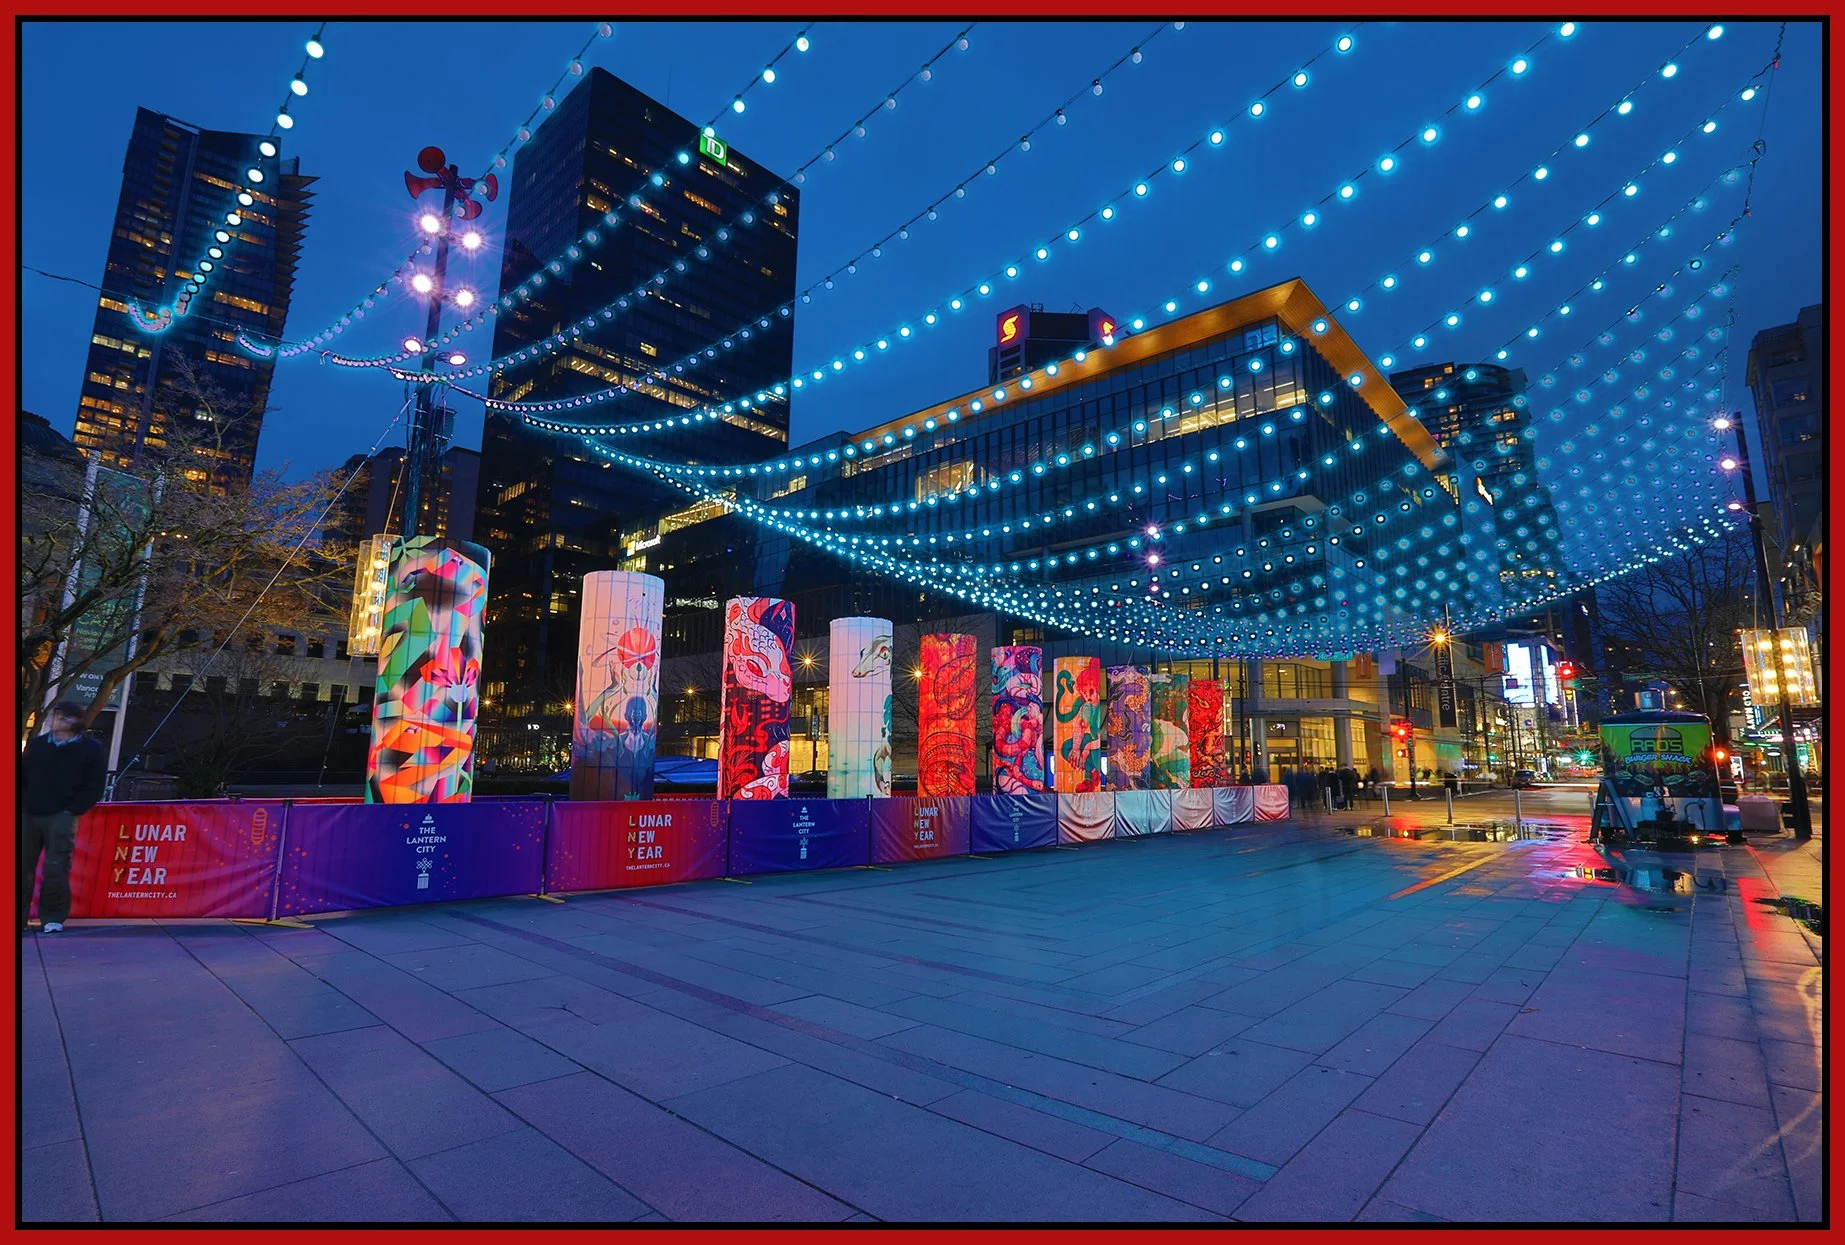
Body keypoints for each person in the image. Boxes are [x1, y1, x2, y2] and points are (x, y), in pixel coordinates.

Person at [21, 702, 106, 934]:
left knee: (56, 866)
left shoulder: (90, 749)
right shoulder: (38, 745)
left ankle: (52, 917)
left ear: (74, 721)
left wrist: (73, 809)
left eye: (61, 717)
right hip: (29, 811)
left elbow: (94, 785)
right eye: (54, 716)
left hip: (62, 813)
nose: (54, 720)